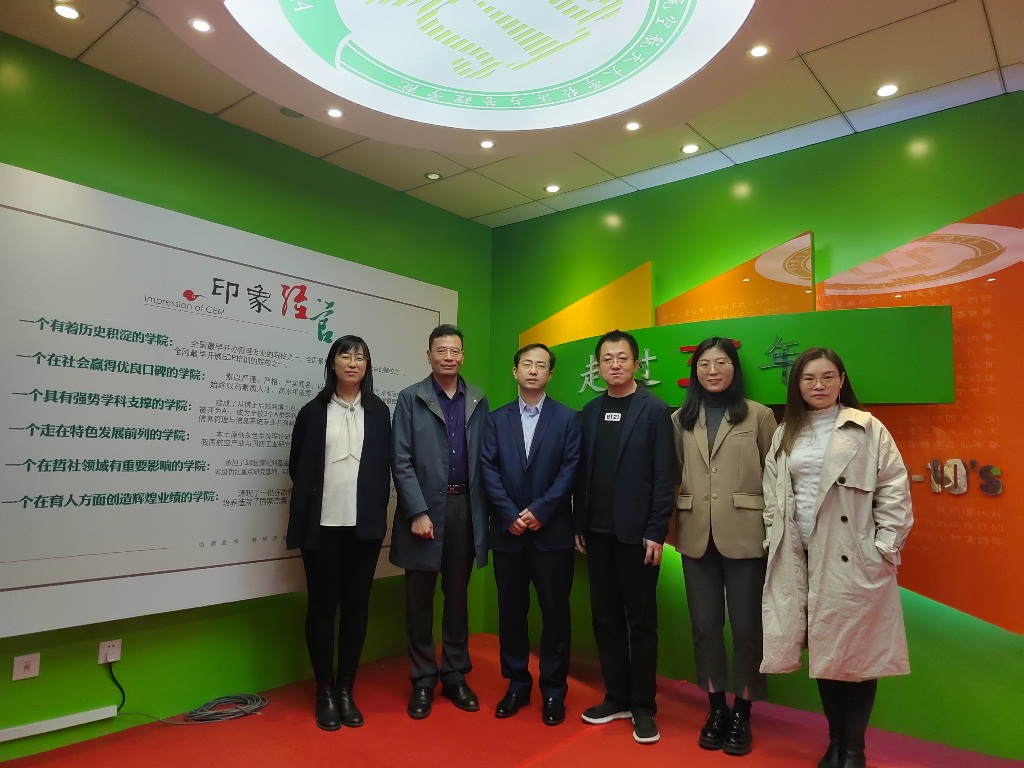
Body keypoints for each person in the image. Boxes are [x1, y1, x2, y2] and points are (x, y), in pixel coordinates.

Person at [761, 348, 913, 768]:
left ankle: (854, 748)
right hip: (802, 558)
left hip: (854, 558)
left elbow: (894, 490)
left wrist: (884, 548)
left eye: (828, 377)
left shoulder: (867, 428)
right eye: (809, 378)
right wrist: (774, 536)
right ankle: (835, 742)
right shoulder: (786, 431)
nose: (819, 386)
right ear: (797, 384)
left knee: (857, 656)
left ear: (842, 380)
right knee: (826, 652)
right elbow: (772, 492)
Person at [671, 337, 777, 756]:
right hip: (695, 535)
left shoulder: (759, 415)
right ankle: (716, 708)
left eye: (721, 363)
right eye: (704, 364)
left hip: (747, 535)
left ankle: (743, 712)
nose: (712, 371)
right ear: (694, 370)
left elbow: (775, 476)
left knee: (749, 630)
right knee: (705, 627)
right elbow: (675, 471)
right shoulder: (680, 418)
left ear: (735, 368)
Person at [575, 329, 675, 745]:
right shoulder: (590, 410)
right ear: (598, 366)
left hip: (638, 537)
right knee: (605, 618)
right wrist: (579, 523)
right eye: (607, 359)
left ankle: (643, 706)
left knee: (642, 622)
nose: (614, 364)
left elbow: (664, 476)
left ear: (636, 363)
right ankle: (615, 696)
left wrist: (656, 531)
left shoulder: (654, 409)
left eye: (622, 358)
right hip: (596, 533)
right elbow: (581, 473)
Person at [287, 335, 392, 731]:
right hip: (322, 527)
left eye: (360, 356)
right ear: (332, 364)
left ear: (367, 366)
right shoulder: (313, 412)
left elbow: (384, 465)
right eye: (345, 355)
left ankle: (346, 689)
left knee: (356, 607)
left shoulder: (378, 412)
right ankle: (324, 692)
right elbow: (297, 466)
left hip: (363, 528)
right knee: (321, 606)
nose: (352, 362)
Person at [390, 324, 490, 719]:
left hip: (465, 507)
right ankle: (422, 679)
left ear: (463, 355)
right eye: (441, 350)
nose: (448, 357)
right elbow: (400, 459)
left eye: (455, 350)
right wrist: (417, 511)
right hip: (424, 511)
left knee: (457, 596)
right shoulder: (410, 398)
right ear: (429, 355)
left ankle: (455, 674)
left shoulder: (477, 399)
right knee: (419, 599)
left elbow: (485, 458)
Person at [481, 343, 581, 726]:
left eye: (542, 365)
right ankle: (517, 685)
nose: (534, 370)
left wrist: (542, 510)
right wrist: (509, 514)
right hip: (508, 534)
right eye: (527, 364)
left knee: (555, 614)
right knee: (511, 613)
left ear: (550, 374)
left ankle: (554, 691)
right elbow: (487, 469)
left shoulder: (568, 419)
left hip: (552, 534)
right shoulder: (495, 419)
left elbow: (571, 469)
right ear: (515, 371)